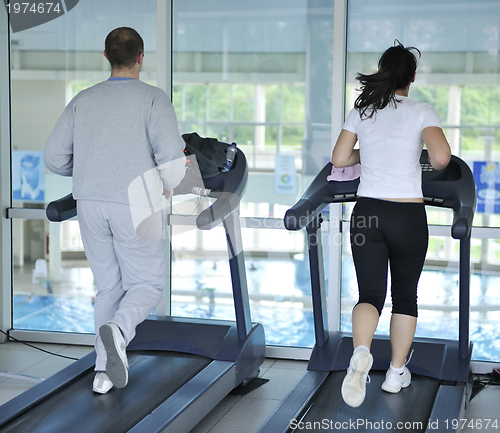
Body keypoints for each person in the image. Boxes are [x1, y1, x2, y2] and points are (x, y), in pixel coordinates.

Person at [44, 27, 186, 394]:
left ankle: (103, 374)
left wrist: (92, 169)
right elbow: (171, 165)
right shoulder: (154, 99)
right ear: (141, 57)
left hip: (90, 202)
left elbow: (54, 158)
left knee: (108, 286)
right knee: (147, 284)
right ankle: (119, 331)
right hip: (137, 201)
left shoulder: (83, 100)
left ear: (106, 57)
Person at [331, 41, 451, 408]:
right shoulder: (420, 110)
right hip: (407, 215)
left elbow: (339, 159)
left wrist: (369, 152)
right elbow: (442, 158)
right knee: (405, 296)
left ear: (383, 72)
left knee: (369, 295)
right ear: (411, 77)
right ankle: (396, 374)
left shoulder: (363, 110)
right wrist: (417, 156)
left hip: (367, 212)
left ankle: (361, 354)